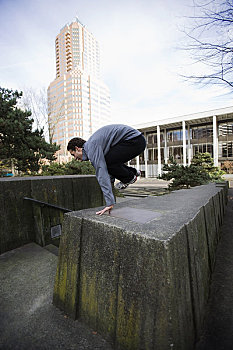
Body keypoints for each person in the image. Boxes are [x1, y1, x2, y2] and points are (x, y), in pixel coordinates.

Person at [67, 124, 146, 216]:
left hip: (134, 141)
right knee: (108, 160)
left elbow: (101, 173)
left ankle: (129, 178)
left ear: (78, 149)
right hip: (136, 140)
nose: (75, 158)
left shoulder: (92, 148)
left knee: (107, 162)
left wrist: (110, 202)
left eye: (73, 155)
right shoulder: (93, 145)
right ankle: (134, 172)